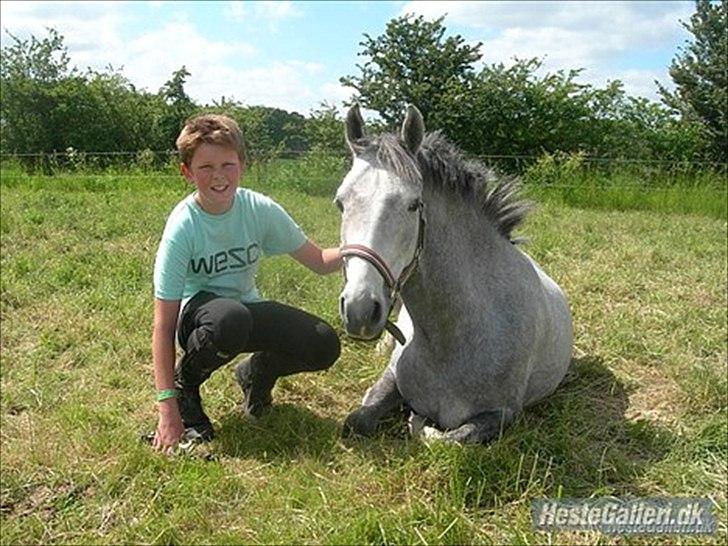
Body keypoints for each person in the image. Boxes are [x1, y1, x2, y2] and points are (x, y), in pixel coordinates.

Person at [151, 113, 342, 454]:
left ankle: (256, 373)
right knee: (230, 319)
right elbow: (163, 326)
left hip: (244, 311)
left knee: (323, 344)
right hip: (200, 319)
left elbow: (321, 262)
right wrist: (167, 408)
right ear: (187, 172)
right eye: (206, 167)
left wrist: (364, 249)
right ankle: (186, 387)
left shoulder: (259, 209)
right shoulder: (183, 226)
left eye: (228, 164)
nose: (219, 176)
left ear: (242, 164)